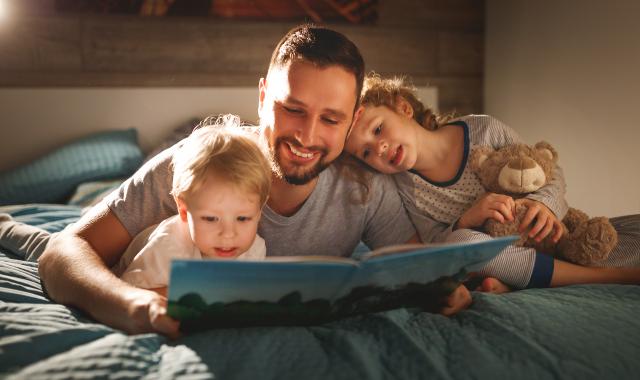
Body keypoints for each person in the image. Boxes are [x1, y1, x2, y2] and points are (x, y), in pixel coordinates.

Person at [32, 25, 429, 338]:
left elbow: (425, 270)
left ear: (354, 119)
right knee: (29, 237)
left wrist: (448, 289)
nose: (307, 136)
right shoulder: (203, 160)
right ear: (261, 98)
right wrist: (130, 303)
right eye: (292, 109)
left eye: (330, 119)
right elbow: (62, 251)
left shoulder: (367, 187)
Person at [344, 73, 640, 292]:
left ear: (403, 108)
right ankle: (604, 277)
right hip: (498, 254)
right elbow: (437, 243)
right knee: (463, 243)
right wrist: (467, 219)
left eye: (378, 129)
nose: (378, 148)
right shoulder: (404, 188)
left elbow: (550, 172)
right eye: (366, 153)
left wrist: (543, 204)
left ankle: (518, 281)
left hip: (548, 232)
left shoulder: (483, 130)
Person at [115, 116, 270, 295]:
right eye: (211, 219)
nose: (228, 234)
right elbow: (128, 294)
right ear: (183, 210)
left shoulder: (254, 249)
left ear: (259, 211)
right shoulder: (167, 247)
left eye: (242, 218)